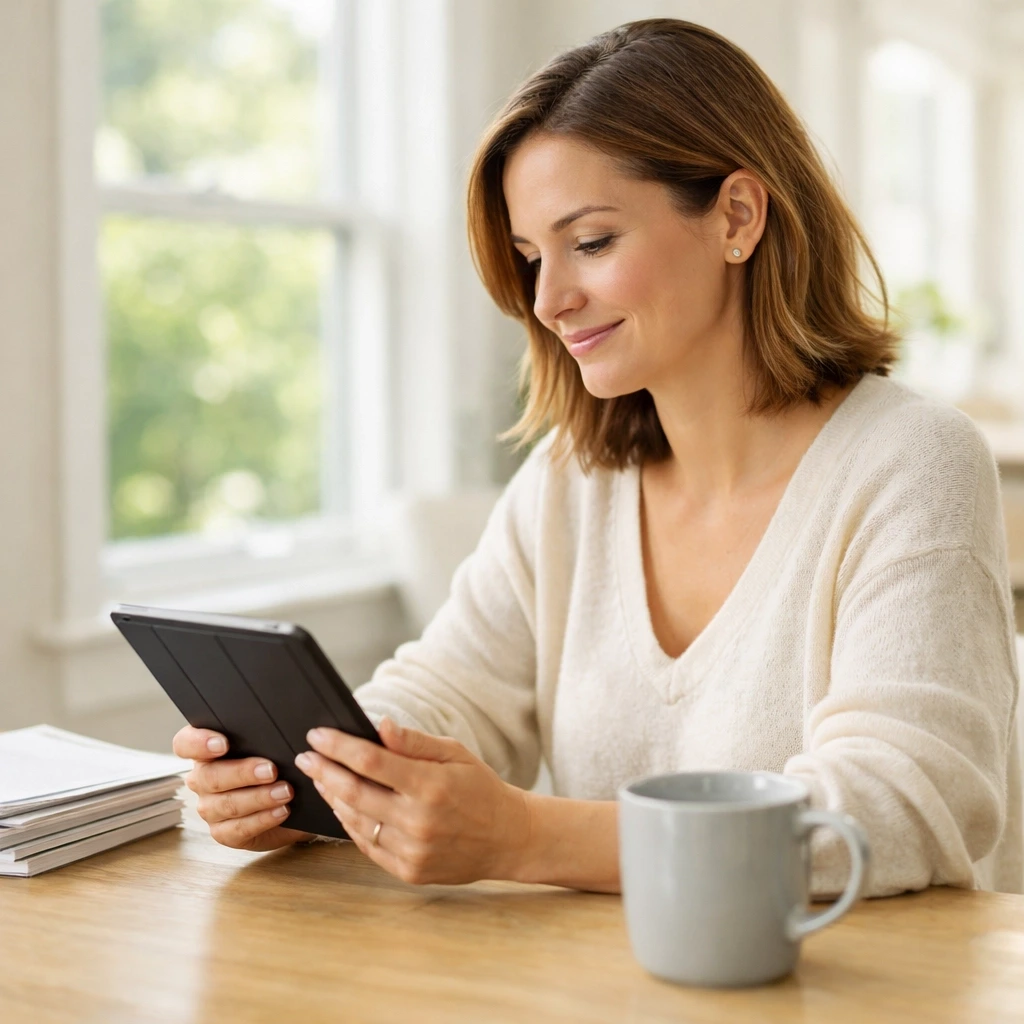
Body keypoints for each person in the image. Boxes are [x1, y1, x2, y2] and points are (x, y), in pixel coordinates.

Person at [173, 18, 1021, 897]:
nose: (547, 299)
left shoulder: (913, 463)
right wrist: (312, 775)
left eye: (591, 243)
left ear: (737, 215)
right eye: (531, 256)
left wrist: (527, 837)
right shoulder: (572, 480)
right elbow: (452, 688)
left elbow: (900, 809)